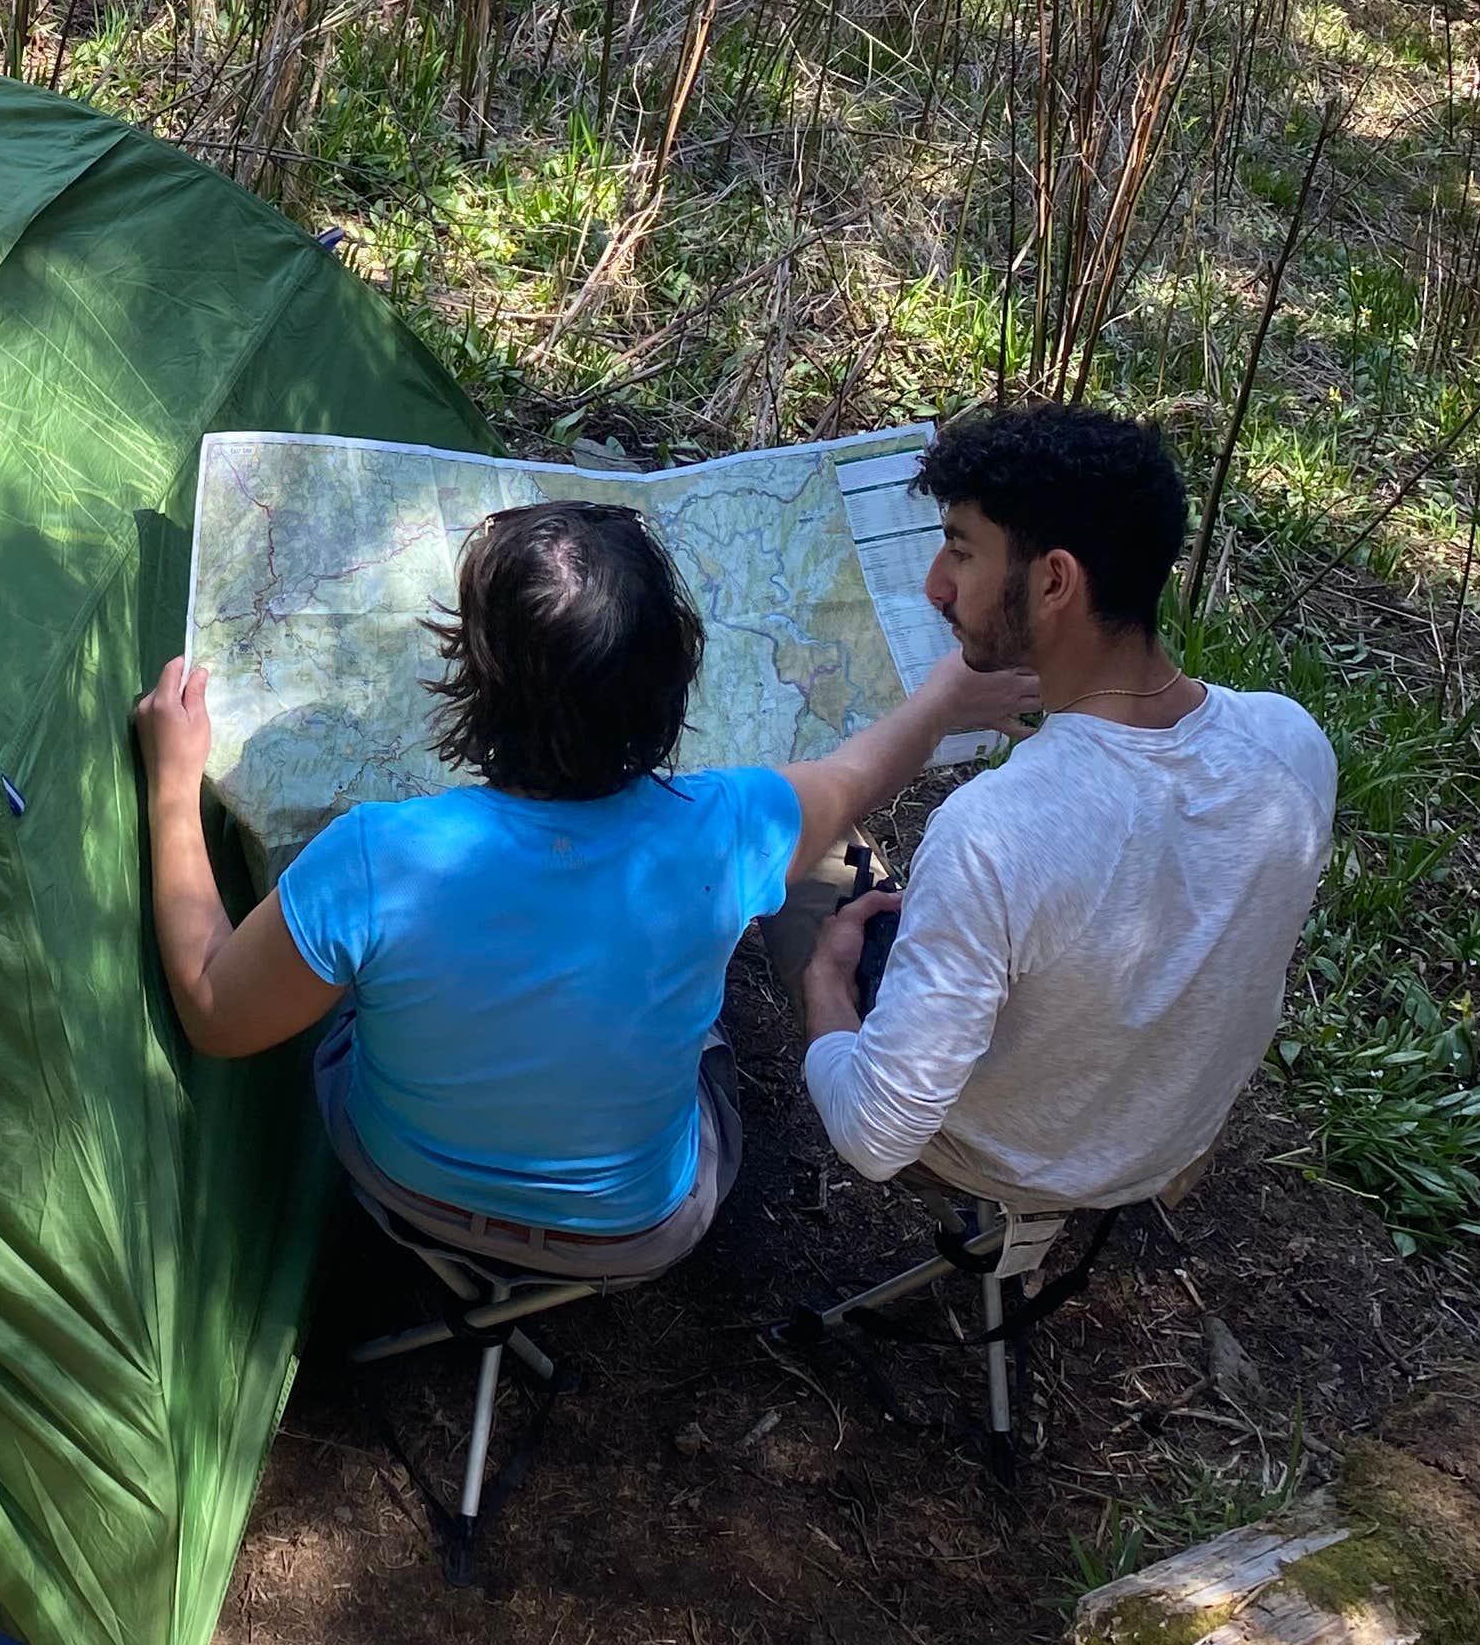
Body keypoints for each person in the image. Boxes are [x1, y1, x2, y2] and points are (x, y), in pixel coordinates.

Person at [133, 500, 1035, 1280]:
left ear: (472, 682)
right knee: (752, 953)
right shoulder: (734, 821)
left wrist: (174, 783)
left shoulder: (373, 853)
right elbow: (854, 775)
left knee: (350, 990)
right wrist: (944, 703)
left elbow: (216, 1011)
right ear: (671, 681)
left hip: (406, 1193)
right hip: (640, 1229)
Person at [794, 400, 1336, 1212]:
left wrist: (828, 988)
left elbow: (878, 1138)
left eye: (960, 551)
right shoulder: (1291, 742)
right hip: (1167, 1139)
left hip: (1006, 1157)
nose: (935, 585)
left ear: (1054, 581)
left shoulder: (993, 832)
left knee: (817, 883)